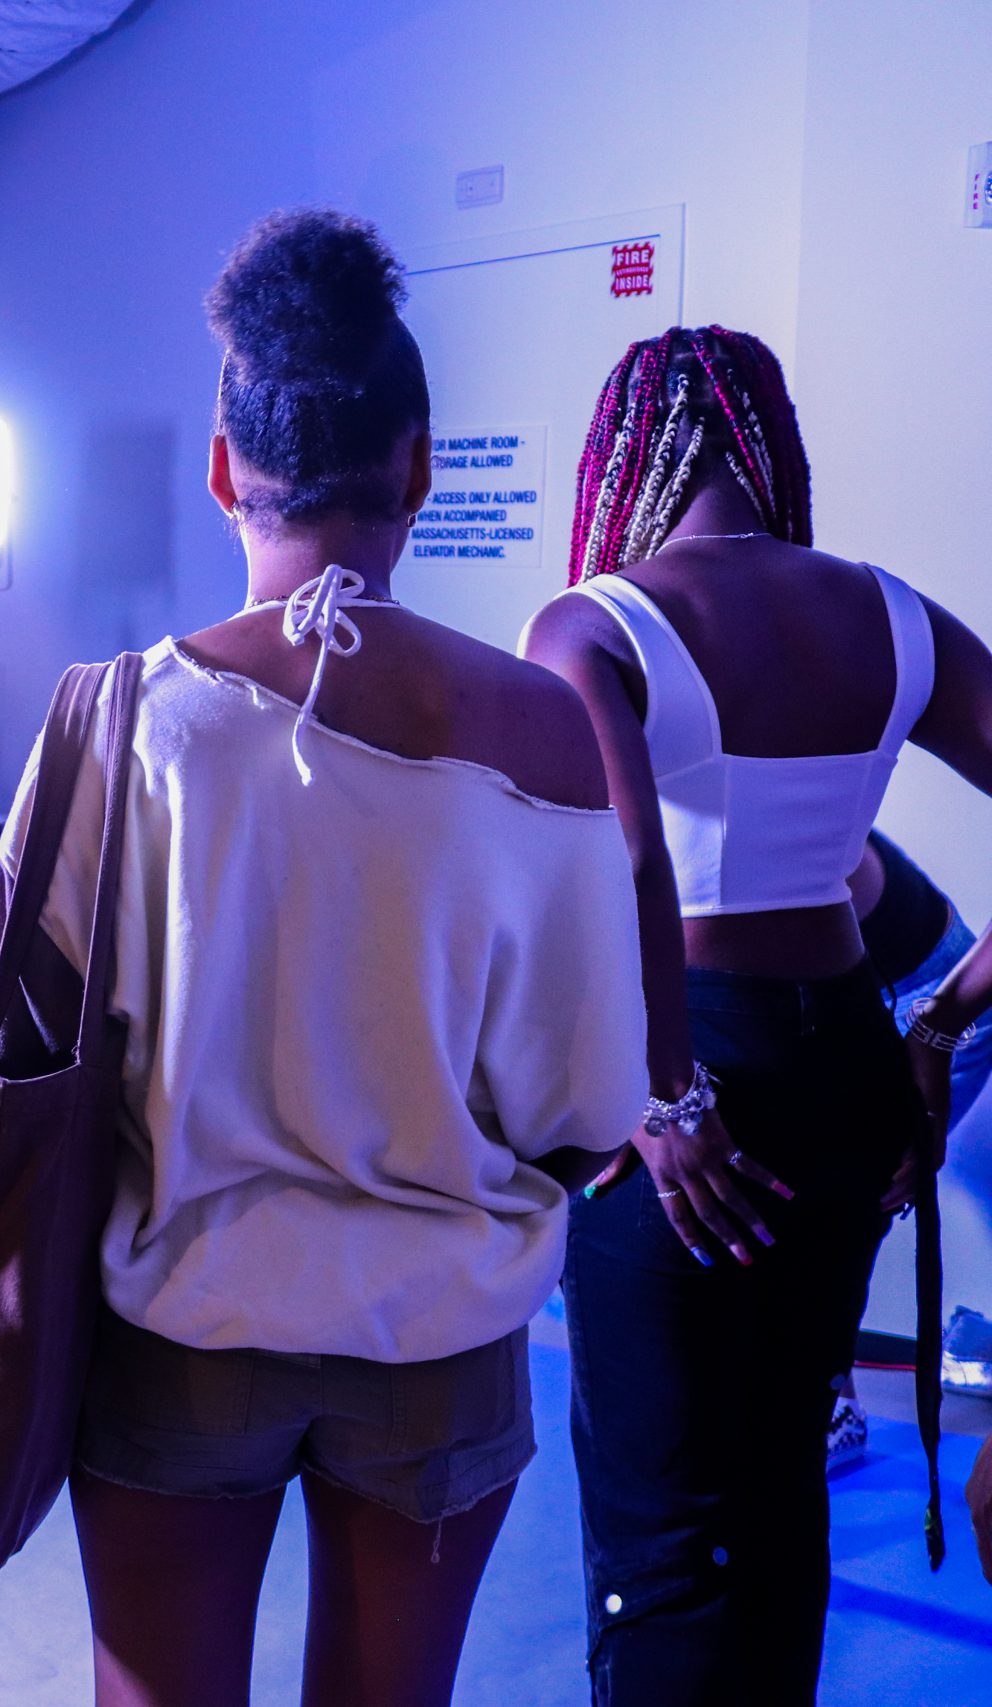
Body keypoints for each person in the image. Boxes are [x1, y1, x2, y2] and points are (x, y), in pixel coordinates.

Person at [44, 212, 644, 1707]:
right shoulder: (544, 730)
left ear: (222, 465)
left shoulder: (118, 721)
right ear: (421, 464)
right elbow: (589, 1102)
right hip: (439, 1328)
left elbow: (30, 1064)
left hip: (184, 1310)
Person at [522, 323, 992, 1701]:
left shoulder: (594, 620)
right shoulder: (890, 612)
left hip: (685, 1057)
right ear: (771, 448)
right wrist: (946, 1020)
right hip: (848, 1060)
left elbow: (625, 862)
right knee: (786, 1478)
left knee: (662, 1524)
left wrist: (657, 1091)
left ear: (625, 455)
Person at [829, 832, 992, 1469]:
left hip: (920, 993)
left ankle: (831, 1403)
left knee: (846, 1194)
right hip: (840, 990)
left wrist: (937, 1027)